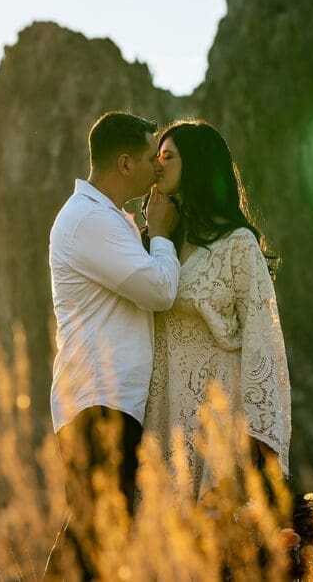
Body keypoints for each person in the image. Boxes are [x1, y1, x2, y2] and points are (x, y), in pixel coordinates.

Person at [45, 111, 181, 580]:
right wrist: (161, 233)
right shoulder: (88, 221)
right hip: (97, 403)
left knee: (100, 535)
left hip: (108, 402)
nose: (156, 167)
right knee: (94, 539)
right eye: (149, 158)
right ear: (125, 164)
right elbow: (160, 290)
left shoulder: (108, 218)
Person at [143, 120, 291, 498]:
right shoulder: (163, 247)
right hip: (166, 407)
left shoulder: (238, 244)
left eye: (167, 156)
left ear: (195, 164)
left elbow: (263, 339)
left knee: (217, 532)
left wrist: (262, 436)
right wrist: (156, 232)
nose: (157, 165)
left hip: (219, 405)